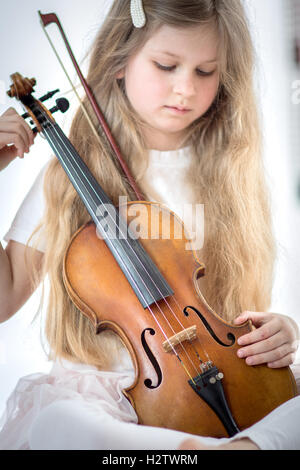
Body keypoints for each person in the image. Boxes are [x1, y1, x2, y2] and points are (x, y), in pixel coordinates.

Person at [0, 0, 299, 451]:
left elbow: (238, 315)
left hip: (214, 371)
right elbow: (5, 297)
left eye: (206, 71)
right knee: (56, 422)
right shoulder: (67, 179)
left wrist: (280, 331)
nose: (185, 88)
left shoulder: (229, 176)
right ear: (120, 62)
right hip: (109, 396)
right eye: (166, 65)